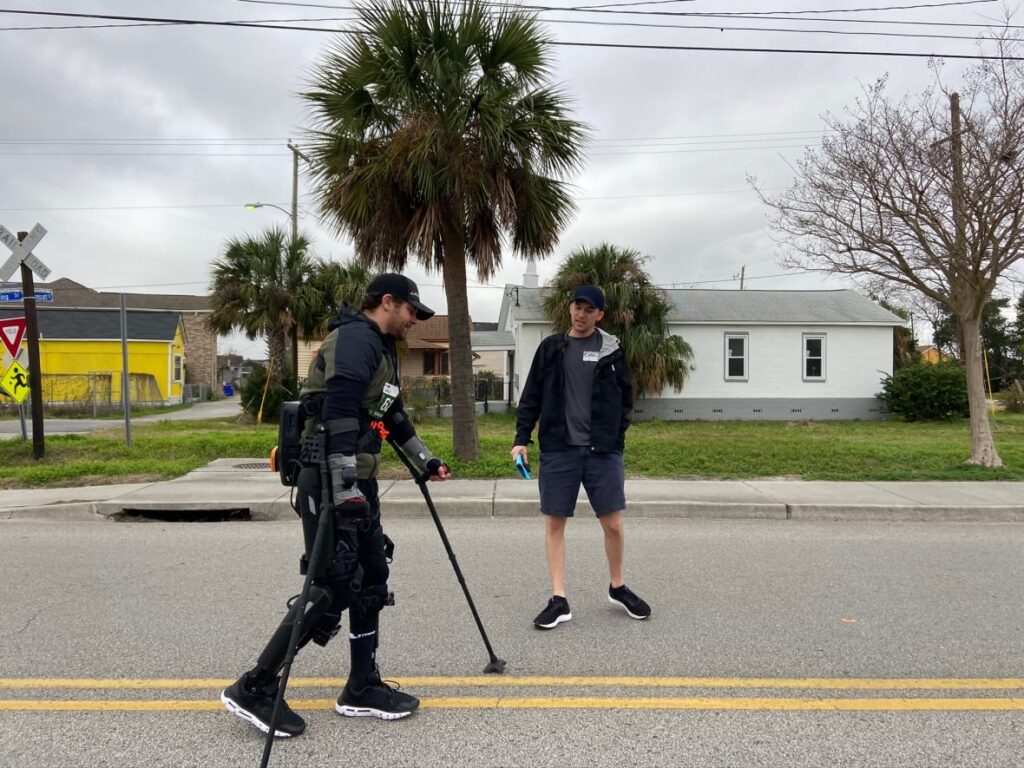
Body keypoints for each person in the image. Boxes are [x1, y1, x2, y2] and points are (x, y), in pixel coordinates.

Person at [222, 273, 451, 738]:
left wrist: (425, 459)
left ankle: (361, 686)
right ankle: (256, 687)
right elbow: (340, 412)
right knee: (328, 586)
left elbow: (389, 413)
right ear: (388, 303)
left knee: (370, 579)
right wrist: (344, 486)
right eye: (411, 311)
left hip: (357, 480)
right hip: (329, 481)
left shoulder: (381, 345)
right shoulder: (353, 340)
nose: (414, 321)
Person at [512, 284, 650, 630]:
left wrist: (615, 439)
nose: (581, 314)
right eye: (577, 307)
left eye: (590, 309)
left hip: (602, 452)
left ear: (600, 314)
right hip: (560, 449)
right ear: (570, 309)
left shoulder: (612, 351)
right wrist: (521, 439)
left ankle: (617, 587)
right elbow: (531, 397)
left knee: (613, 524)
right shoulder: (552, 348)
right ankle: (559, 599)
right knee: (555, 522)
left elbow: (625, 400)